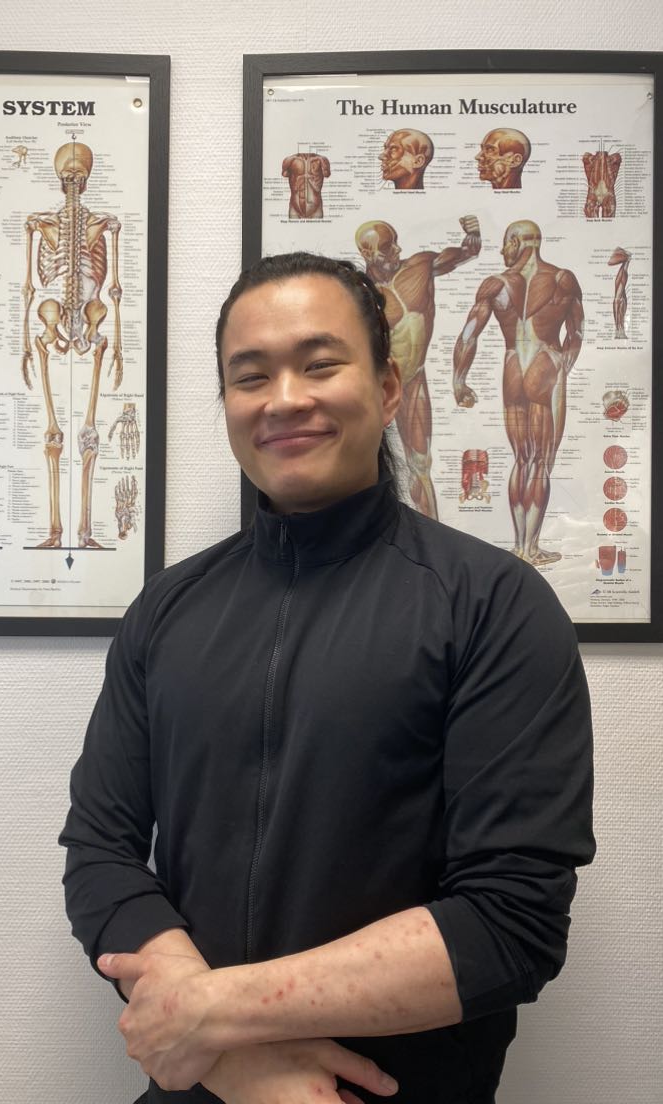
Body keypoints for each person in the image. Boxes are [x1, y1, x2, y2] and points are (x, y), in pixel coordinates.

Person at [60, 252, 595, 1104]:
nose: (283, 399)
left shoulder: (493, 605)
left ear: (389, 388)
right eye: (250, 376)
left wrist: (210, 1016)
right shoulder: (166, 611)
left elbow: (512, 921)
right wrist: (229, 1060)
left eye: (319, 365)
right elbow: (100, 853)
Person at [452, 220, 584, 566]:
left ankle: (518, 547)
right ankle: (532, 547)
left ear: (519, 242)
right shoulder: (562, 280)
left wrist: (458, 381)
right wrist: (563, 366)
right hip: (545, 364)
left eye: (505, 243)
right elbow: (576, 333)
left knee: (522, 459)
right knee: (540, 461)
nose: (502, 251)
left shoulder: (495, 285)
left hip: (513, 367)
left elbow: (468, 335)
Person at [354, 215, 481, 518]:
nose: (397, 250)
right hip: (373, 388)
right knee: (361, 469)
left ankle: (429, 535)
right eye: (388, 247)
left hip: (413, 381)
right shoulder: (357, 293)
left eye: (396, 242)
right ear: (368, 253)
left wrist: (473, 234)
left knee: (421, 465)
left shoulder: (421, 267)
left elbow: (467, 252)